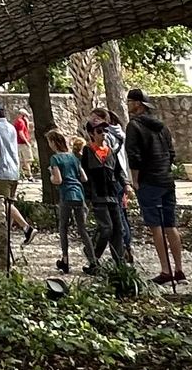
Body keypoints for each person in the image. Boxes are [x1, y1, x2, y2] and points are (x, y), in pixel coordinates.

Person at [124, 88, 185, 283]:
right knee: (170, 224)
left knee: (156, 227)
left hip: (149, 181)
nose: (127, 105)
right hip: (166, 179)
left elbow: (134, 155)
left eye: (130, 101)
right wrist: (165, 169)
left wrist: (135, 180)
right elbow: (171, 153)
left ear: (138, 104)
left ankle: (165, 270)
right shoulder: (162, 127)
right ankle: (179, 269)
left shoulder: (134, 126)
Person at [78, 116, 132, 271]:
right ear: (91, 134)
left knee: (118, 229)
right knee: (106, 228)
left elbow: (118, 171)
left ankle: (119, 263)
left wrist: (126, 185)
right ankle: (93, 257)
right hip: (98, 196)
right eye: (99, 131)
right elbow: (83, 176)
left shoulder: (110, 152)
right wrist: (86, 198)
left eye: (105, 131)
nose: (103, 134)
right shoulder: (88, 151)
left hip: (113, 195)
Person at [0, 103, 33, 251]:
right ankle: (7, 237)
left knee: (6, 203)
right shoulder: (11, 127)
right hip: (13, 170)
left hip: (1, 171)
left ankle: (27, 228)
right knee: (9, 206)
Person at [45, 132, 93, 272]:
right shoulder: (73, 157)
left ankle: (65, 259)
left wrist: (51, 176)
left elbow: (58, 180)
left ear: (54, 142)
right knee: (82, 229)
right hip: (79, 194)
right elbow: (83, 177)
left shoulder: (55, 159)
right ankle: (93, 260)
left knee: (63, 228)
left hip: (66, 194)